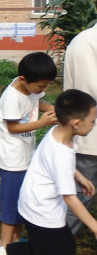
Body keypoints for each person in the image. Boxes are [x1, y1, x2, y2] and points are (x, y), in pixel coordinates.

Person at [0, 89, 97, 255]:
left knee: (41, 248)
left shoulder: (57, 132)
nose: (94, 125)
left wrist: (78, 175)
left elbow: (54, 164)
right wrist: (94, 226)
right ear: (76, 124)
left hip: (32, 203)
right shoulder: (62, 152)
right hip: (43, 211)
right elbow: (70, 197)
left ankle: (2, 253)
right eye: (93, 121)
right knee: (63, 250)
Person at [0, 52, 57, 247]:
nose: (43, 89)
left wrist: (55, 109)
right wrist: (42, 123)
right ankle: (4, 245)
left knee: (22, 199)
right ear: (23, 79)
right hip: (12, 160)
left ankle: (15, 238)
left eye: (47, 86)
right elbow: (13, 127)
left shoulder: (29, 88)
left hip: (25, 156)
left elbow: (37, 102)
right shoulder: (12, 97)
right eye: (41, 86)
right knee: (11, 203)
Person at [64, 25, 97, 235]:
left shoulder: (82, 40)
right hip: (89, 137)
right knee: (79, 199)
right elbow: (89, 92)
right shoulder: (87, 43)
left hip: (86, 135)